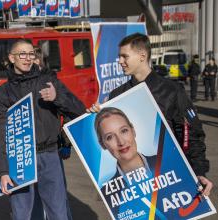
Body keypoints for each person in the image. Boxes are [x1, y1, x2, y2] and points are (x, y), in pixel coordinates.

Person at [89, 33, 212, 197]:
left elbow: (193, 135)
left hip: (171, 177)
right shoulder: (116, 96)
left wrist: (199, 171)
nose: (120, 61)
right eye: (119, 57)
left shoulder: (172, 91)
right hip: (133, 188)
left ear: (142, 56)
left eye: (124, 56)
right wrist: (95, 114)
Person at [0, 39, 85, 220]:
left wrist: (57, 98)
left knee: (59, 213)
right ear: (11, 58)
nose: (27, 58)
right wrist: (2, 172)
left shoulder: (48, 82)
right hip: (19, 160)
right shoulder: (2, 93)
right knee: (22, 215)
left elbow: (79, 110)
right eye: (22, 54)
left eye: (31, 54)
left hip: (49, 156)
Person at [95, 107, 156, 213]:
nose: (121, 142)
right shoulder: (107, 192)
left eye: (124, 131)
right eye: (110, 137)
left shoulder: (166, 161)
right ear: (103, 144)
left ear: (133, 131)